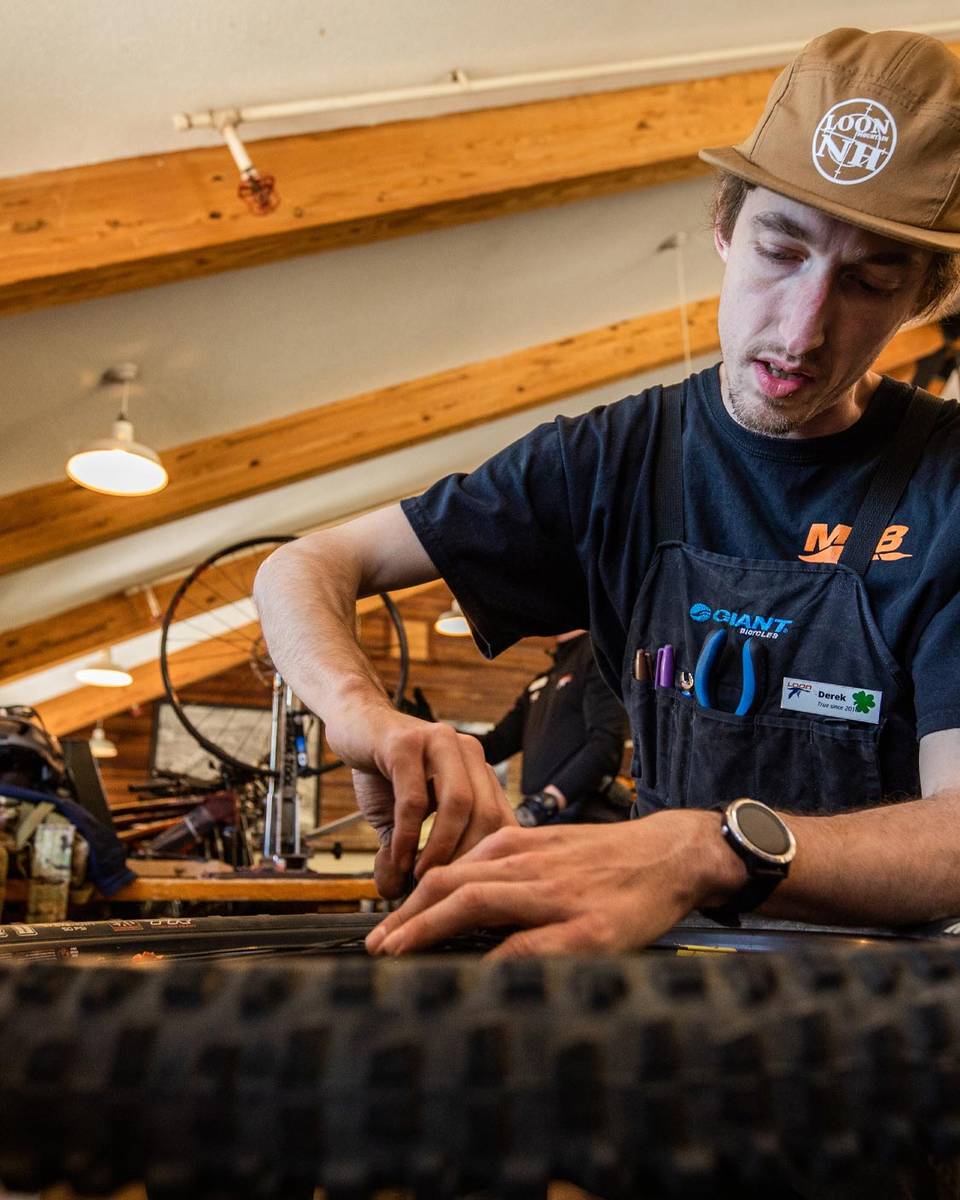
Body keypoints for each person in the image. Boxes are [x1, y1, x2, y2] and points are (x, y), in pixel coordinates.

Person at [254, 28, 960, 957]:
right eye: (780, 252)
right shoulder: (617, 456)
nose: (802, 330)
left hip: (884, 1006)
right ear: (723, 225)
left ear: (925, 298)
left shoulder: (946, 484)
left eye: (869, 282)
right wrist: (363, 716)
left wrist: (703, 848)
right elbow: (304, 565)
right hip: (661, 971)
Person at [473, 631, 629, 827]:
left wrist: (547, 801)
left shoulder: (597, 658)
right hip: (541, 821)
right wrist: (437, 732)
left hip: (580, 820)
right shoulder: (542, 681)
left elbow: (606, 742)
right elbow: (495, 745)